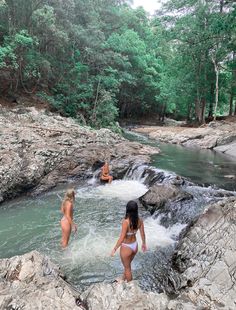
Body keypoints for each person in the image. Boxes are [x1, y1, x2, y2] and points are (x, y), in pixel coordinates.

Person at [111, 200, 147, 282]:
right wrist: (144, 244)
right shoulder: (140, 220)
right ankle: (123, 278)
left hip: (126, 247)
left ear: (127, 209)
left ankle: (131, 287)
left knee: (127, 268)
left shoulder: (126, 222)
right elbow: (143, 234)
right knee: (128, 265)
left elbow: (122, 237)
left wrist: (115, 248)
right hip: (135, 246)